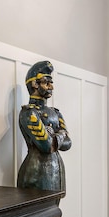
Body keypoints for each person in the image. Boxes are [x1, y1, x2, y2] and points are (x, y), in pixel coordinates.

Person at [17, 61, 71, 192]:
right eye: (47, 83)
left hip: (56, 172)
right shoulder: (29, 112)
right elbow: (46, 146)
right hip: (37, 173)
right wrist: (60, 134)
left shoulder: (55, 112)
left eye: (51, 83)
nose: (51, 87)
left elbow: (68, 144)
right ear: (35, 84)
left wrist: (54, 135)